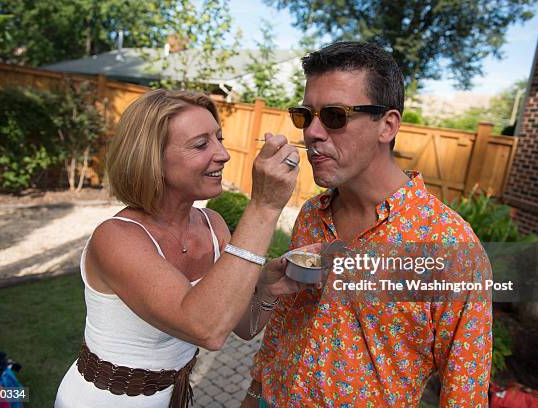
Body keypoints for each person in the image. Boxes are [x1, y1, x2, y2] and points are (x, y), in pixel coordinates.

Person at [242, 42, 492, 407]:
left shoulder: (450, 245)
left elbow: (464, 391)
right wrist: (254, 392)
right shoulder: (313, 214)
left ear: (387, 125)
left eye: (334, 115)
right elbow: (287, 318)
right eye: (305, 115)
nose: (311, 132)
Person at [55, 89, 303, 408]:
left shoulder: (213, 226)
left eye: (219, 138)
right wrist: (265, 206)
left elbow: (242, 326)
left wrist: (266, 291)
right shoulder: (116, 237)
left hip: (174, 398)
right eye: (201, 144)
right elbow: (206, 330)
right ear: (152, 158)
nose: (224, 154)